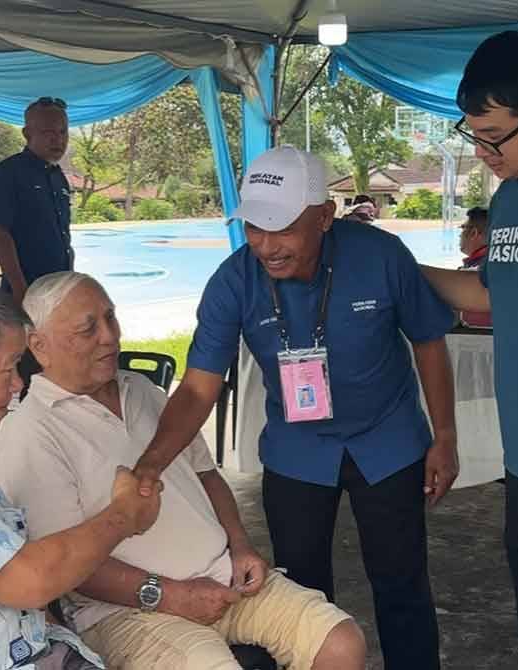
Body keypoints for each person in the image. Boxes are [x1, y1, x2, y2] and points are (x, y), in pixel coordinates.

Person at [132, 146, 459, 669]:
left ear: (324, 217)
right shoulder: (234, 281)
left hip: (388, 441)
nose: (266, 246)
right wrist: (153, 462)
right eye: (254, 229)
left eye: (281, 228)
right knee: (300, 592)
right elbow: (197, 389)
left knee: (401, 582)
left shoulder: (380, 255)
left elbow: (428, 341)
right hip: (297, 450)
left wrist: (444, 436)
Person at [0, 270, 367, 670]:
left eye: (111, 318)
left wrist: (240, 546)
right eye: (88, 329)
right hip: (127, 611)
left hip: (224, 579)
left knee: (341, 643)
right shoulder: (30, 430)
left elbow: (207, 475)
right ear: (39, 346)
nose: (110, 336)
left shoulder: (143, 391)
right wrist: (169, 595)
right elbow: (67, 566)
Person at [0, 275, 161, 670]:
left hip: (36, 648)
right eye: (7, 369)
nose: (17, 384)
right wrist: (125, 514)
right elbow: (28, 578)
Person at [420, 31, 518, 670]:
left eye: (494, 136)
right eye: (472, 135)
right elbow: (489, 292)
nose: (483, 152)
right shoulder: (511, 197)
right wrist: (400, 267)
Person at [0, 96, 75, 393]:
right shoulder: (7, 175)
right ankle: (29, 434)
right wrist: (20, 288)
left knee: (58, 366)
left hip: (59, 291)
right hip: (27, 292)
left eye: (62, 132)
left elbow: (63, 234)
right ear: (27, 134)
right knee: (29, 370)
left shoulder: (58, 177)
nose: (57, 139)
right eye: (49, 132)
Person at [457, 207, 492, 327]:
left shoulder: (470, 276)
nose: (459, 235)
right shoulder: (498, 265)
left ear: (473, 233)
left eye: (462, 228)